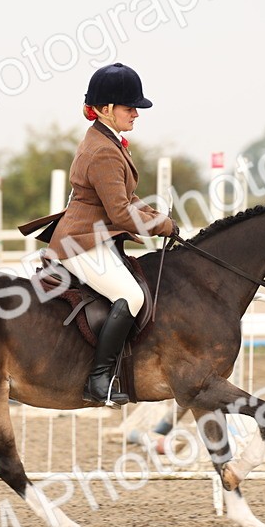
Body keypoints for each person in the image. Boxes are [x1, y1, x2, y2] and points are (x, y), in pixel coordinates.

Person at [35, 62, 177, 406]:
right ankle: (99, 381)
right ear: (105, 109)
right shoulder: (102, 150)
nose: (136, 114)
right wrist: (163, 226)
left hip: (96, 237)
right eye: (130, 108)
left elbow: (126, 199)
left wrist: (158, 217)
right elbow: (119, 212)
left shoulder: (109, 142)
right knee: (132, 297)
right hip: (83, 242)